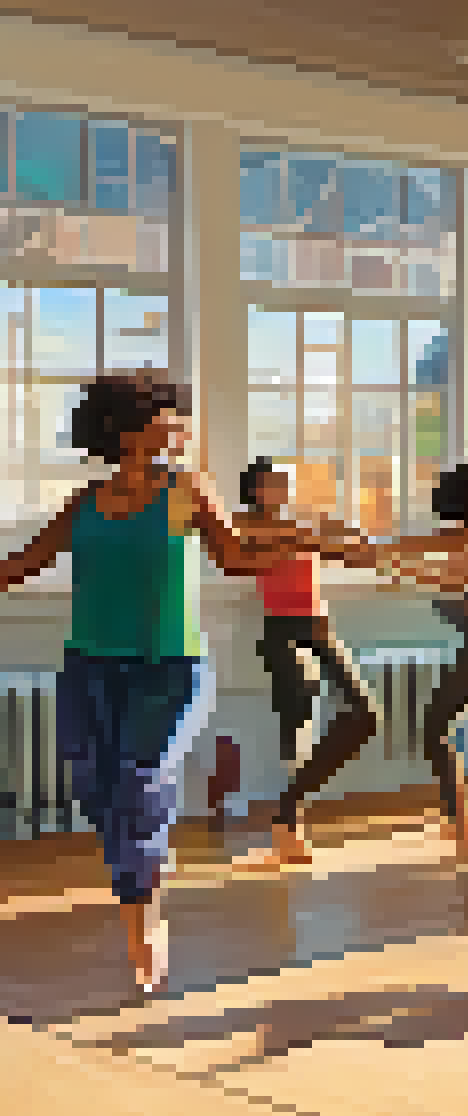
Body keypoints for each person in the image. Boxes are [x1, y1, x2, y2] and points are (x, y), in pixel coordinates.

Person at [0, 375, 285, 992]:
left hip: (169, 669)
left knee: (141, 779)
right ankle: (139, 878)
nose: (181, 426)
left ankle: (145, 915)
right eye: (169, 414)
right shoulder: (85, 501)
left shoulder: (183, 492)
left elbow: (235, 556)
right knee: (98, 790)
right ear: (129, 426)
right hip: (89, 670)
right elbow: (23, 565)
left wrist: (314, 546)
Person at [231, 459, 384, 869]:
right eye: (273, 484)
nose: (282, 490)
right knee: (296, 721)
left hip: (317, 624)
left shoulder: (303, 523)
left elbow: (355, 545)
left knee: (366, 714)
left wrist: (349, 537)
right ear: (255, 490)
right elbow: (263, 544)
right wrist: (316, 536)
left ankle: (288, 806)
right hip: (279, 629)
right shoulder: (246, 525)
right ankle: (291, 832)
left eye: (285, 484)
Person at [370, 464, 468, 863]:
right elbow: (390, 550)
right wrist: (383, 558)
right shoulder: (453, 536)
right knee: (436, 732)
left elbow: (465, 577)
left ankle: (463, 830)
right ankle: (460, 828)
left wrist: (412, 571)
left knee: (443, 731)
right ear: (463, 499)